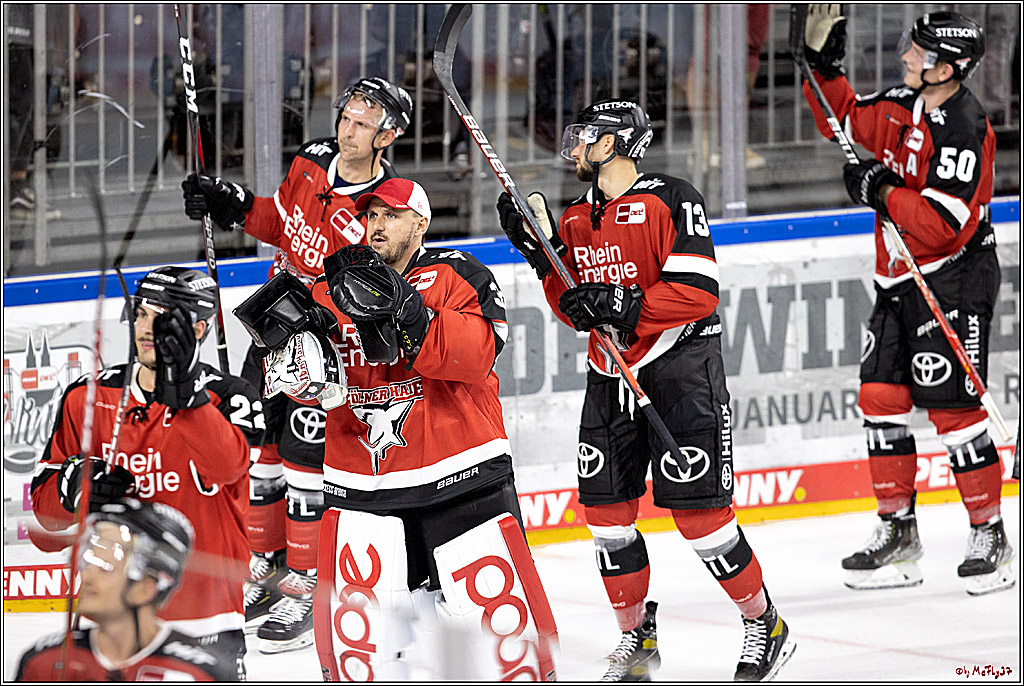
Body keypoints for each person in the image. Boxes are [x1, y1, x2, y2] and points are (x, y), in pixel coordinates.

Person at [497, 99, 796, 682]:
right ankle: (637, 640)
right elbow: (576, 307)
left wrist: (622, 303)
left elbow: (697, 289)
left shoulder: (671, 196)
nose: (575, 148)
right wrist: (540, 256)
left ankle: (766, 624)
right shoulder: (578, 217)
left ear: (611, 144)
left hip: (682, 372)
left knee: (702, 521)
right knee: (606, 517)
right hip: (610, 375)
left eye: (584, 138)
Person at [233, 177, 559, 680]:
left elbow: (478, 356)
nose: (377, 225)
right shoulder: (330, 291)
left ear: (420, 223)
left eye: (391, 215)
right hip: (365, 491)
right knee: (364, 652)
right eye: (371, 216)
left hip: (461, 479)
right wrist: (300, 375)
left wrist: (410, 311)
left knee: (501, 644)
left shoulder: (458, 273)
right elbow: (316, 383)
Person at [181, 76, 414, 653]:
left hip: (322, 346)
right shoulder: (311, 160)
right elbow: (279, 223)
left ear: (387, 135)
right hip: (273, 327)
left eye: (363, 123)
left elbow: (370, 291)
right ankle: (268, 564)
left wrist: (313, 328)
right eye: (346, 116)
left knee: (306, 465)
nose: (347, 128)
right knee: (263, 455)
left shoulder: (383, 209)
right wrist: (232, 204)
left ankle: (307, 583)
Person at [801, 6, 1011, 596]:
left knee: (952, 410)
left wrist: (881, 189)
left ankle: (990, 536)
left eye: (918, 52)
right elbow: (841, 119)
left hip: (953, 277)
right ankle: (899, 532)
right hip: (897, 278)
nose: (905, 56)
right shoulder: (902, 102)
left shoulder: (964, 126)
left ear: (948, 67)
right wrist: (822, 66)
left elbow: (942, 224)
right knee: (880, 396)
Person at [29, 266, 263, 678]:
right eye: (141, 313)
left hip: (205, 627)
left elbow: (228, 468)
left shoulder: (231, 396)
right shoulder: (88, 397)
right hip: (111, 628)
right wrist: (73, 489)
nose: (146, 327)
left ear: (201, 327)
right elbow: (44, 527)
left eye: (163, 317)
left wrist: (187, 396)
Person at [16, 499, 239, 681]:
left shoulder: (203, 675)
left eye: (106, 566)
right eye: (89, 559)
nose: (87, 576)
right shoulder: (42, 662)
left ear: (145, 588)